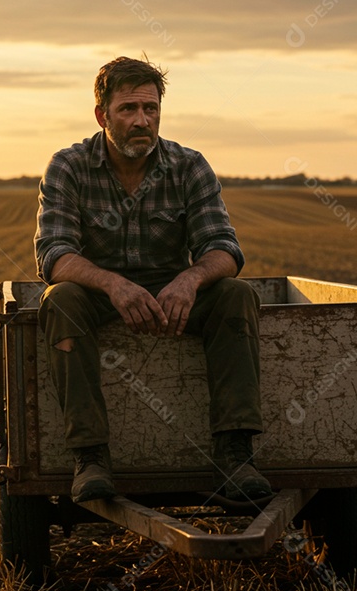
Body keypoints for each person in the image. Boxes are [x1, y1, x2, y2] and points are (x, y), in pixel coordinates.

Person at [33, 56, 270, 504]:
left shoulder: (189, 166)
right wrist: (114, 285)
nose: (142, 120)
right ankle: (91, 458)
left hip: (171, 294)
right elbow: (54, 254)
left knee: (235, 295)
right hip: (98, 296)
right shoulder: (68, 166)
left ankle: (235, 455)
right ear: (103, 115)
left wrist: (191, 279)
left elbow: (224, 247)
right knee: (60, 299)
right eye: (128, 109)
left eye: (151, 109)